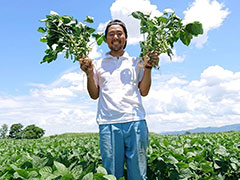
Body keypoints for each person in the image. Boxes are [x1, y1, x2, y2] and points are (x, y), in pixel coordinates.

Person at [79, 19, 158, 180]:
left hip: (135, 121)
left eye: (119, 33)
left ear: (126, 37)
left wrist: (148, 67)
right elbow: (94, 94)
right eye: (111, 34)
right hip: (108, 123)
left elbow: (144, 91)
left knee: (138, 174)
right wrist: (88, 73)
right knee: (111, 175)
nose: (115, 36)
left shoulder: (137, 62)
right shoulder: (98, 64)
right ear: (106, 39)